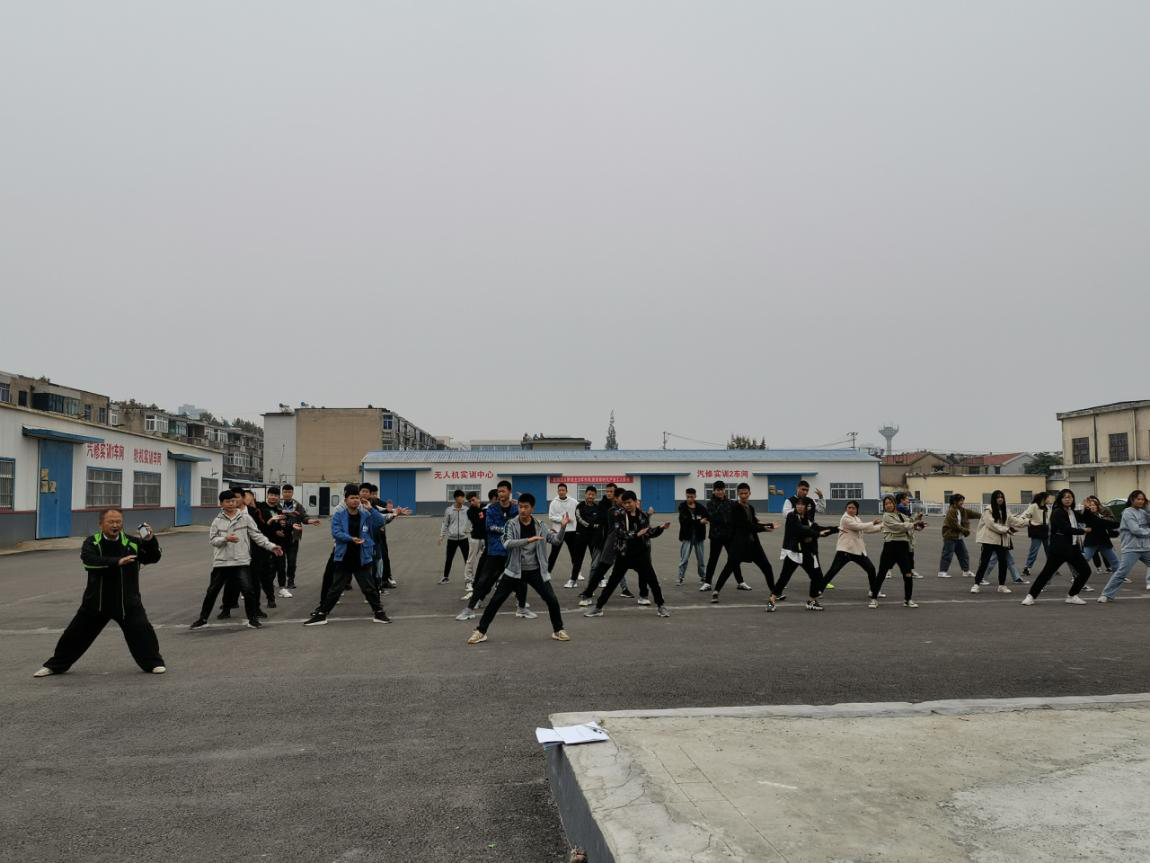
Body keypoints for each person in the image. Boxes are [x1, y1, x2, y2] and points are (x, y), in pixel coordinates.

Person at [34, 510, 166, 677]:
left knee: (143, 632)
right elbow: (89, 561)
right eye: (111, 522)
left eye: (118, 521)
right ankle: (55, 666)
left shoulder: (132, 542)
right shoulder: (92, 542)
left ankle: (153, 663)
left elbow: (152, 557)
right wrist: (117, 562)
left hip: (127, 602)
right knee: (74, 635)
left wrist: (149, 540)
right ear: (101, 524)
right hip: (96, 602)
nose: (115, 525)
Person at [467, 493, 571, 645]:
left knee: (552, 599)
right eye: (520, 507)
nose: (522, 510)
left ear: (532, 508)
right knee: (495, 601)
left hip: (535, 571)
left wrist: (563, 527)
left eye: (526, 507)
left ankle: (558, 630)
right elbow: (507, 543)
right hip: (514, 570)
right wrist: (528, 540)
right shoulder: (511, 524)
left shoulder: (540, 525)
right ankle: (480, 631)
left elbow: (555, 541)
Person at [191, 489, 284, 629]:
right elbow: (213, 540)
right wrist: (225, 539)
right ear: (221, 504)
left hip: (241, 561)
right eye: (227, 501)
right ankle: (203, 619)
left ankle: (252, 619)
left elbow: (257, 535)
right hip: (222, 562)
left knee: (248, 590)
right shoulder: (217, 521)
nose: (231, 503)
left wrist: (271, 546)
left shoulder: (245, 518)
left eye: (233, 501)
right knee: (212, 591)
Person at [304, 485, 393, 625]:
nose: (355, 500)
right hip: (344, 556)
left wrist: (370, 508)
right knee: (336, 588)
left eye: (357, 498)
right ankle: (322, 614)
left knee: (369, 587)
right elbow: (336, 533)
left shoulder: (366, 514)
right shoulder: (339, 515)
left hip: (362, 556)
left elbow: (380, 522)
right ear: (346, 500)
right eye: (352, 498)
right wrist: (351, 539)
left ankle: (379, 613)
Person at [583, 491, 671, 618]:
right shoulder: (619, 514)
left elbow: (648, 532)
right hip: (624, 554)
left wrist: (660, 528)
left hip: (641, 554)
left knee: (653, 581)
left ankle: (661, 606)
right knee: (612, 582)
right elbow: (619, 533)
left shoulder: (642, 516)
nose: (627, 505)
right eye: (624, 503)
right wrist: (636, 534)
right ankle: (598, 607)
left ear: (635, 502)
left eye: (629, 502)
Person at [456, 481, 532, 620]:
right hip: (495, 550)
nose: (500, 494)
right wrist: (507, 530)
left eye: (503, 491)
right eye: (499, 491)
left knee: (521, 579)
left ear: (509, 491)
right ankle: (470, 608)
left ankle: (521, 608)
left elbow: (525, 522)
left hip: (513, 550)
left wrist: (522, 505)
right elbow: (489, 527)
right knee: (484, 579)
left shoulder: (516, 509)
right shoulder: (491, 509)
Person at [1022, 489, 1094, 605]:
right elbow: (1065, 529)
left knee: (1085, 571)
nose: (1068, 499)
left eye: (1070, 497)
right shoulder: (1057, 512)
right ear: (1060, 499)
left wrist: (1087, 508)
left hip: (1073, 549)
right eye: (1065, 497)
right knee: (1047, 573)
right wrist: (1083, 530)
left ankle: (1072, 595)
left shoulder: (1072, 512)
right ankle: (1030, 596)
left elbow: (1085, 519)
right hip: (1059, 549)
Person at [712, 482, 776, 601]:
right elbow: (747, 526)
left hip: (753, 544)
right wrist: (764, 529)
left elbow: (754, 522)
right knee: (729, 567)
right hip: (739, 545)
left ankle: (774, 592)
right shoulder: (735, 508)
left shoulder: (750, 508)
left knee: (766, 567)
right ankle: (716, 591)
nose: (743, 496)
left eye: (746, 493)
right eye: (741, 493)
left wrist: (769, 524)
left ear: (749, 493)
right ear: (738, 494)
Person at [771, 497, 836, 611]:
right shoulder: (792, 516)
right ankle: (772, 600)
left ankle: (812, 601)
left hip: (806, 553)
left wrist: (836, 529)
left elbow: (818, 528)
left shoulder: (808, 519)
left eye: (802, 505)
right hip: (794, 553)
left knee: (816, 576)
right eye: (798, 504)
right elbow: (800, 530)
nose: (799, 506)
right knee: (784, 577)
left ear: (806, 507)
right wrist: (817, 534)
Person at [971, 490, 1029, 594]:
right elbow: (991, 525)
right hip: (989, 540)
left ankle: (1002, 585)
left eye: (1002, 497)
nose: (1000, 499)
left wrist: (1028, 522)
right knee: (984, 562)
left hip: (1002, 541)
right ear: (994, 499)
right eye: (998, 497)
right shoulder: (988, 510)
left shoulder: (1005, 510)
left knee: (1003, 563)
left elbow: (1014, 521)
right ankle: (976, 584)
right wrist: (1006, 529)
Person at [873, 496, 925, 609]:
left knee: (908, 574)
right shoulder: (886, 516)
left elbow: (910, 522)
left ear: (894, 503)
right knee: (882, 573)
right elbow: (898, 527)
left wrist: (918, 519)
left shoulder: (901, 515)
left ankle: (908, 599)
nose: (888, 505)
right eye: (886, 504)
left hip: (903, 547)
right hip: (890, 547)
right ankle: (874, 598)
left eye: (890, 503)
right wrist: (913, 524)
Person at [1099, 490, 1150, 602]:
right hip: (1132, 548)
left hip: (1146, 547)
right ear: (1132, 499)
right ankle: (1106, 594)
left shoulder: (1143, 512)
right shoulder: (1127, 512)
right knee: (1122, 572)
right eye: (1138, 499)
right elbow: (1135, 530)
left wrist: (1147, 508)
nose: (1141, 501)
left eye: (1143, 499)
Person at [821, 501, 882, 592]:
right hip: (845, 551)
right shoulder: (845, 518)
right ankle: (818, 590)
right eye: (849, 507)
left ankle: (873, 591)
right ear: (846, 509)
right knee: (833, 571)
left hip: (857, 551)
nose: (851, 510)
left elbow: (866, 529)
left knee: (871, 569)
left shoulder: (856, 518)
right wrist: (873, 522)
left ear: (857, 510)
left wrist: (882, 527)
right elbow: (858, 526)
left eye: (853, 508)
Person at [702, 481, 745, 591]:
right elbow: (714, 517)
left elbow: (736, 516)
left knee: (734, 559)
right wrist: (726, 519)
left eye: (721, 490)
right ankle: (707, 582)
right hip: (716, 536)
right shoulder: (710, 503)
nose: (719, 492)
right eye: (717, 490)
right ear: (714, 491)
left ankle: (740, 582)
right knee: (713, 559)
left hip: (729, 536)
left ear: (724, 490)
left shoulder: (731, 503)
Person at [280, 484, 319, 591]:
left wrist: (310, 520)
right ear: (282, 492)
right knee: (279, 562)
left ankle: (291, 580)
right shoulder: (278, 505)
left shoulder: (297, 505)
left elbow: (304, 517)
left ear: (292, 493)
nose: (287, 494)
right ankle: (279, 581)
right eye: (285, 492)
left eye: (289, 492)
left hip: (293, 538)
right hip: (279, 538)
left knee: (292, 561)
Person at [547, 483, 585, 588]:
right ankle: (547, 572)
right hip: (558, 531)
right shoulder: (553, 503)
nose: (561, 492)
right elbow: (551, 517)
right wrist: (563, 520)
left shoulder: (574, 502)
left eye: (563, 490)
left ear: (566, 491)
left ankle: (577, 573)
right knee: (554, 553)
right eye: (559, 490)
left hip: (571, 531)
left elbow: (580, 511)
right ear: (557, 491)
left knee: (574, 553)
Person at [259, 486, 293, 599]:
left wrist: (286, 528)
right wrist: (274, 531)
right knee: (263, 566)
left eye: (276, 495)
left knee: (281, 565)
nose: (273, 497)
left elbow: (285, 524)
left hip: (278, 543)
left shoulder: (280, 510)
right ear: (267, 495)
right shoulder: (261, 508)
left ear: (279, 497)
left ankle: (282, 588)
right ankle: (252, 587)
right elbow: (261, 526)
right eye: (271, 495)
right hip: (264, 542)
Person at [937, 494, 980, 579]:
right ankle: (942, 572)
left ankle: (966, 571)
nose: (962, 502)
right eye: (960, 501)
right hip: (950, 537)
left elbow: (973, 514)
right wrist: (965, 530)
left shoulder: (962, 510)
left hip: (958, 537)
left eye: (963, 500)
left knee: (964, 554)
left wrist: (983, 516)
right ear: (955, 502)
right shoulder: (951, 511)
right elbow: (954, 525)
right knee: (947, 554)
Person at [1079, 496, 1121, 580]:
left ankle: (1119, 577)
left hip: (1104, 542)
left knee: (1114, 560)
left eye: (1094, 505)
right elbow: (1104, 523)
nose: (1093, 506)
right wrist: (1118, 524)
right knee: (1084, 559)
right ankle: (1076, 575)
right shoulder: (1088, 516)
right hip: (1092, 542)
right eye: (1090, 505)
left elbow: (1107, 526)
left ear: (1098, 506)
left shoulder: (1100, 515)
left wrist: (1115, 531)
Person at [676, 488, 708, 585]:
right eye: (688, 497)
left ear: (695, 496)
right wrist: (699, 522)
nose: (690, 499)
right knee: (684, 558)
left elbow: (707, 517)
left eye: (692, 497)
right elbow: (685, 521)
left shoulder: (701, 507)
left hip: (699, 536)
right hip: (687, 536)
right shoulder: (682, 507)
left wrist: (704, 520)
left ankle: (703, 576)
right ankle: (680, 577)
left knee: (701, 559)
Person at [439, 489, 471, 584]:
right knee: (449, 559)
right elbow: (445, 523)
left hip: (463, 539)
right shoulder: (449, 510)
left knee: (467, 559)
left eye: (464, 497)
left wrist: (469, 529)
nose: (464, 499)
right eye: (462, 497)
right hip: (451, 539)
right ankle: (445, 577)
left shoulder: (466, 510)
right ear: (457, 498)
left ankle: (469, 578)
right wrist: (441, 536)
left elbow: (473, 521)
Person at [573, 486, 602, 588]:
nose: (590, 496)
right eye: (589, 494)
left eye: (593, 494)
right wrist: (591, 525)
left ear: (595, 496)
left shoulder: (597, 507)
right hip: (581, 536)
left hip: (594, 537)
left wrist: (596, 525)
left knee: (596, 559)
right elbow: (579, 518)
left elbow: (600, 520)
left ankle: (600, 579)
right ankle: (573, 579)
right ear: (585, 494)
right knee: (578, 559)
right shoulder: (579, 506)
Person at [1019, 492, 1051, 578]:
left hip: (1046, 530)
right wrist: (1030, 522)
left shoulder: (1047, 508)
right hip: (1036, 530)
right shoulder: (1034, 506)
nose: (1049, 499)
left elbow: (1049, 519)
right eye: (1048, 498)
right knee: (1034, 550)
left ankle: (1052, 567)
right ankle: (1027, 568)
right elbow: (1024, 516)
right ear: (1043, 498)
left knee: (1049, 550)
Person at [463, 491, 486, 598]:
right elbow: (478, 522)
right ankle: (468, 581)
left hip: (485, 538)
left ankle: (486, 580)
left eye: (473, 500)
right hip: (475, 539)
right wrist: (481, 513)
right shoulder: (470, 511)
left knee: (487, 560)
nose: (472, 502)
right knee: (471, 560)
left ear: (477, 497)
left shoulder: (486, 507)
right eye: (470, 501)